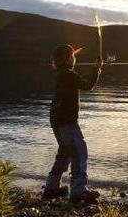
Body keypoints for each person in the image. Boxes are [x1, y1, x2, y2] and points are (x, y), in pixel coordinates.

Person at [43, 44, 103, 204]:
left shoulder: (63, 74)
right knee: (79, 152)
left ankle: (51, 188)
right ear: (67, 59)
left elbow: (81, 81)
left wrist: (94, 70)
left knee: (65, 154)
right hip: (67, 123)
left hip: (57, 121)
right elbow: (87, 85)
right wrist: (97, 69)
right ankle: (78, 191)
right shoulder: (68, 75)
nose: (74, 58)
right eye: (73, 56)